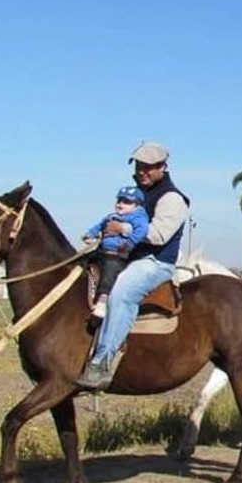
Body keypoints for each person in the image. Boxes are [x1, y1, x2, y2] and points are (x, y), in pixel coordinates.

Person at [77, 141, 191, 389]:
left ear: (163, 167)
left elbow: (160, 234)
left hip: (155, 261)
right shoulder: (136, 193)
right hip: (127, 256)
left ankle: (102, 362)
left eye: (149, 167)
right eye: (139, 166)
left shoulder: (172, 198)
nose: (142, 172)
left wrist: (124, 228)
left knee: (121, 294)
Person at [82, 186, 150, 319]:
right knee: (84, 261)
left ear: (137, 205)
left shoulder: (138, 217)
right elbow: (100, 225)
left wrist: (129, 243)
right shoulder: (112, 216)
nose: (120, 204)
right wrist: (90, 234)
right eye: (119, 200)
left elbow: (142, 231)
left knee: (110, 270)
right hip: (102, 251)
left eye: (126, 202)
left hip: (118, 254)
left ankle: (103, 299)